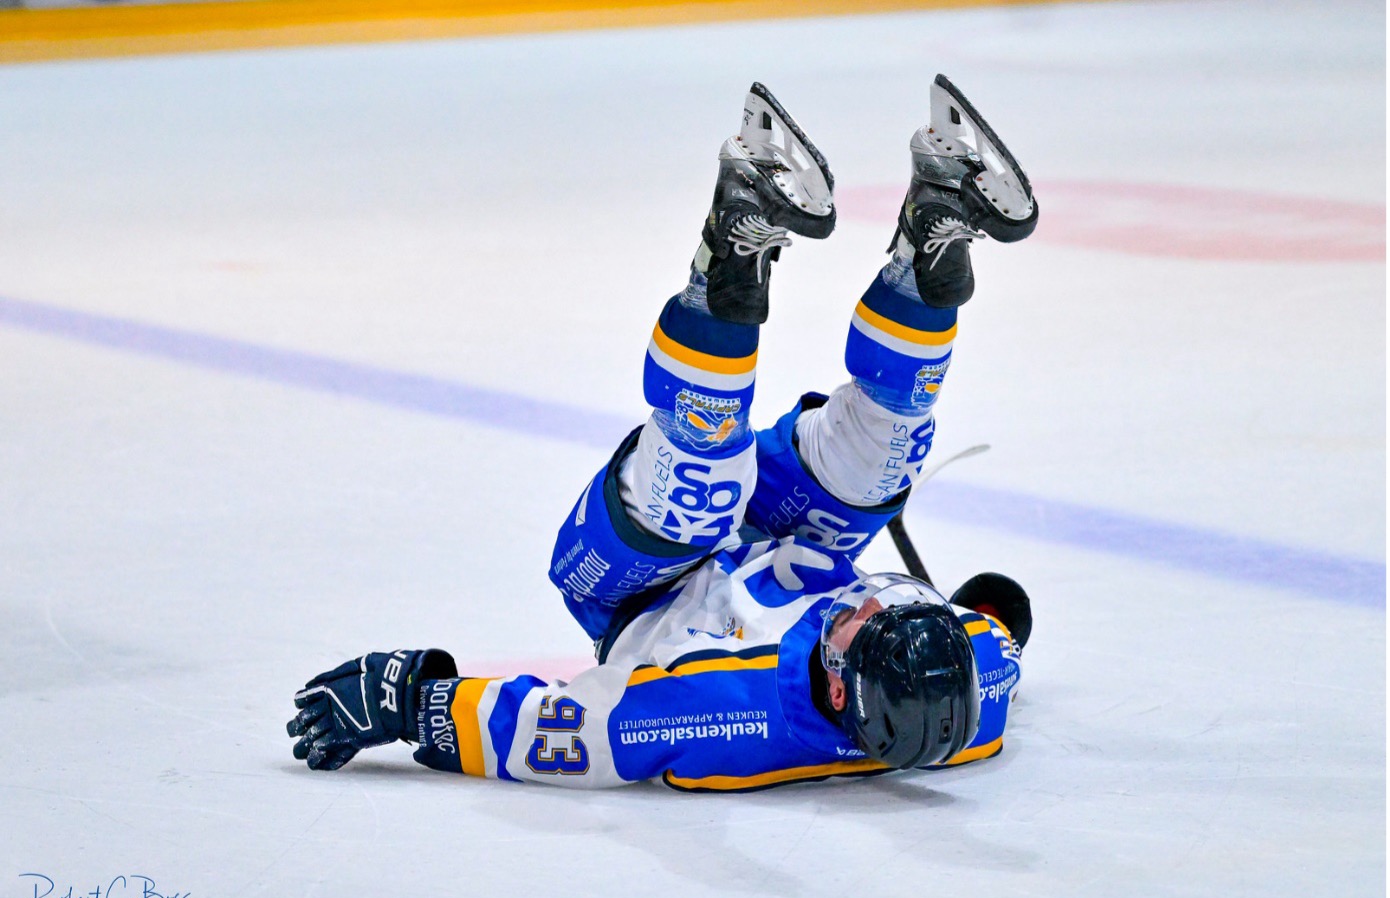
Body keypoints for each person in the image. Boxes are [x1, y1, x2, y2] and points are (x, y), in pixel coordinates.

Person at [287, 78, 1037, 791]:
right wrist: (985, 616)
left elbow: (558, 731)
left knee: (701, 492)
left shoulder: (721, 713)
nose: (872, 603)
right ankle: (929, 232)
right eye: (897, 606)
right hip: (786, 539)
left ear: (837, 688)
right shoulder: (976, 679)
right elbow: (999, 618)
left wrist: (409, 700)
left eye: (862, 627)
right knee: (882, 455)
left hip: (641, 587)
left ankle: (732, 242)